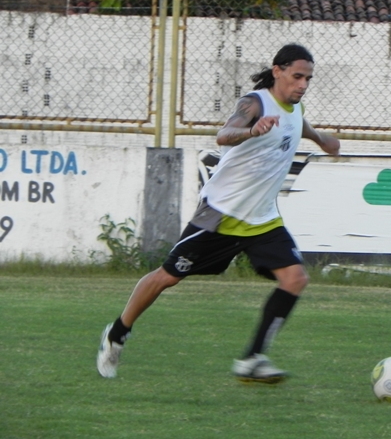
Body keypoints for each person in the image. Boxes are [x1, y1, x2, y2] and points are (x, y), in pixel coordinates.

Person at [97, 43, 340, 383]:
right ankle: (117, 334)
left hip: (262, 220)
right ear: (277, 71)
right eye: (297, 76)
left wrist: (324, 141)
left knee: (295, 279)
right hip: (221, 215)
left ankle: (253, 359)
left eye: (308, 79)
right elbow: (224, 135)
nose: (302, 84)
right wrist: (251, 130)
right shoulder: (255, 103)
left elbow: (301, 128)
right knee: (167, 276)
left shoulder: (294, 110)